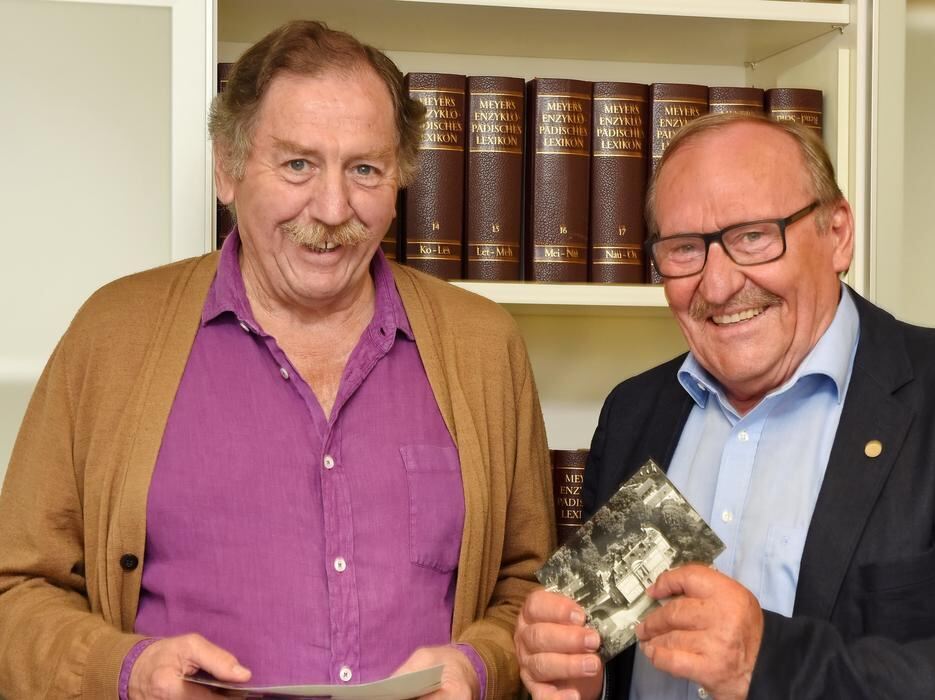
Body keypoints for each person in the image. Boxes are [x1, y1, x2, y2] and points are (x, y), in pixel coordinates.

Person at [0, 20, 554, 699]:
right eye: (297, 165)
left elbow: (530, 588)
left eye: (365, 170)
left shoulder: (485, 347)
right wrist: (128, 673)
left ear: (400, 179)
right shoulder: (111, 336)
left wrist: (479, 665)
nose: (333, 208)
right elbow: (14, 591)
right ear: (226, 169)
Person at [514, 111, 935, 699]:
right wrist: (576, 675)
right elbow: (600, 647)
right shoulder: (634, 413)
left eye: (753, 237)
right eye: (685, 249)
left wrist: (770, 665)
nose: (718, 286)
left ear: (837, 234)